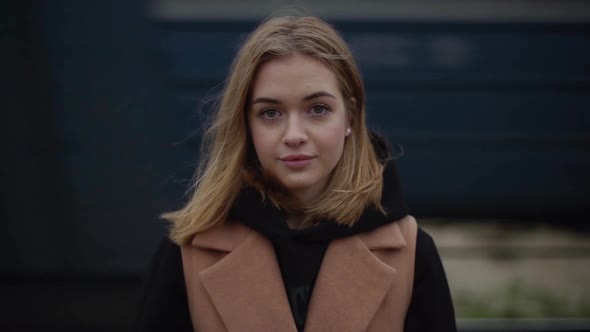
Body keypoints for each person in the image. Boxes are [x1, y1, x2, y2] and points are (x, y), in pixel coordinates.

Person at [136, 15, 456, 332]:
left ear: (351, 116)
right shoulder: (188, 254)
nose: (294, 135)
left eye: (317, 109)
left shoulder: (411, 254)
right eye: (270, 113)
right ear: (246, 125)